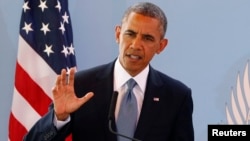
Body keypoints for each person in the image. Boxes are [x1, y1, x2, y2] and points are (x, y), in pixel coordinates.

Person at [23, 2, 194, 141]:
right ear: (118, 34)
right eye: (130, 34)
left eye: (147, 38)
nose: (135, 45)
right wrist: (59, 118)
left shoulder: (176, 96)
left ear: (161, 46)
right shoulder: (81, 85)